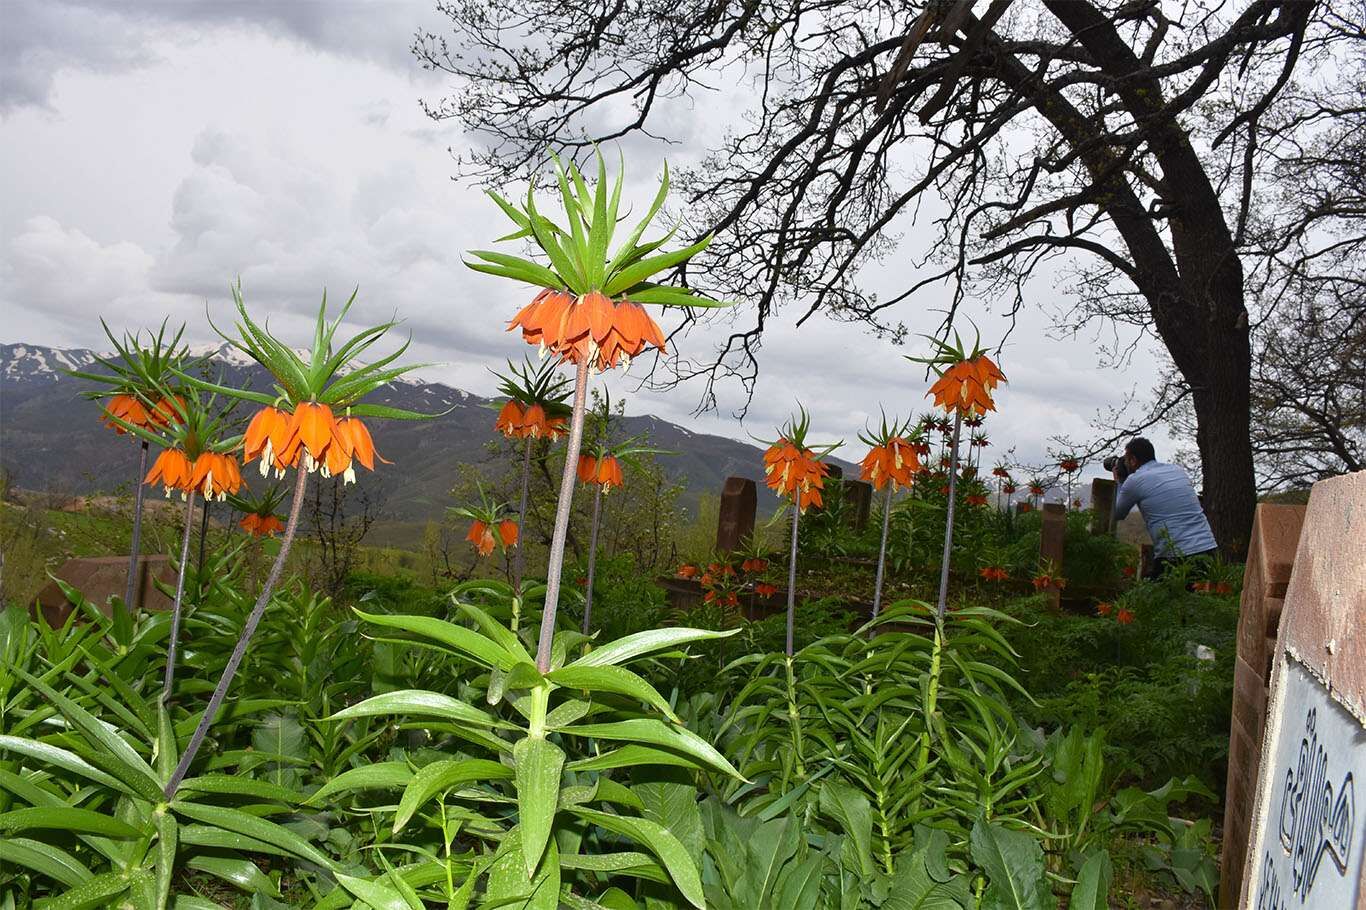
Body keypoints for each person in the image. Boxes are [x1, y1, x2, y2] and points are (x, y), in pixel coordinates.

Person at [1112, 437, 1218, 578]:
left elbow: (1116, 513)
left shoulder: (1135, 480)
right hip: (1208, 548)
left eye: (1126, 460)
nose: (1125, 464)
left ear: (1133, 460)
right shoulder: (1177, 470)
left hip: (1176, 556)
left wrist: (1119, 482)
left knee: (1154, 598)